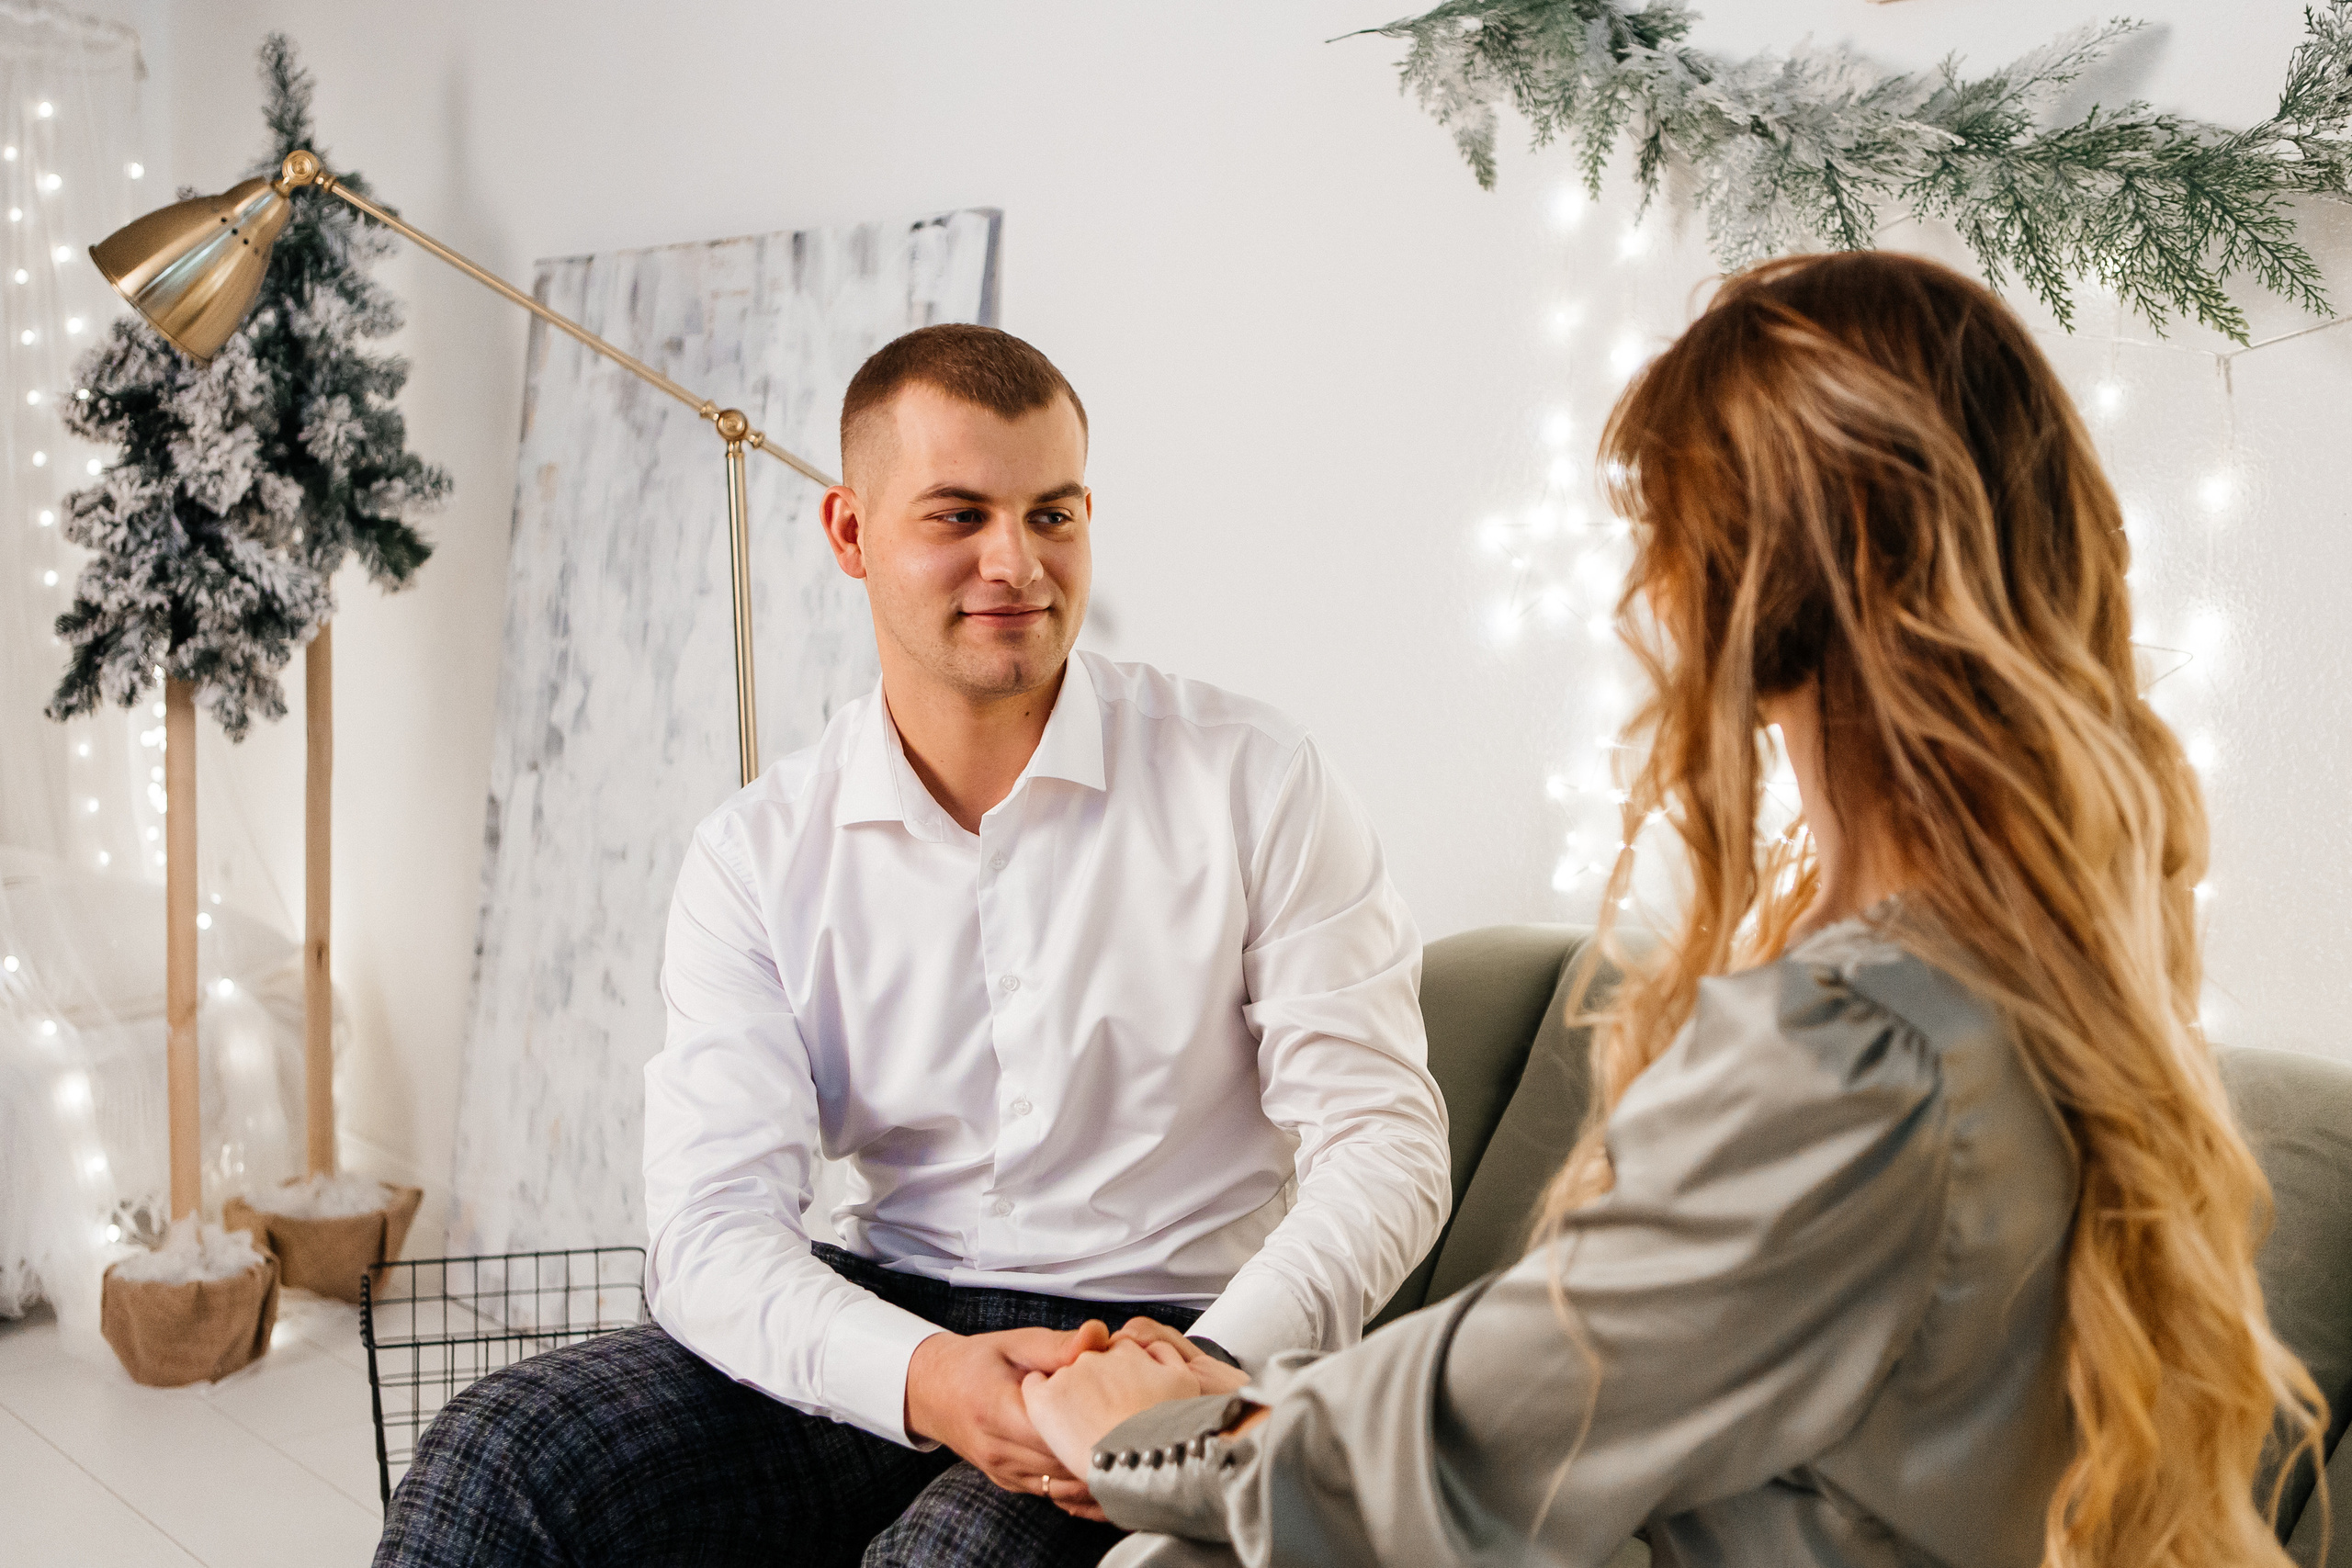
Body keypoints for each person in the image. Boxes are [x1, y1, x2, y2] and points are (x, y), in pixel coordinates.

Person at [1022, 252, 2329, 1568]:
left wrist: (1167, 1428)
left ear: (1774, 572)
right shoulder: (2038, 977)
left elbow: (1478, 1434)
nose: (1648, 588)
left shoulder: (1858, 1045)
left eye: (1671, 526)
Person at [373, 325, 1452, 1568]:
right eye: (958, 515)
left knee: (949, 1561)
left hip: (1170, 1332)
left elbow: (1385, 1140)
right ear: (850, 533)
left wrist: (1200, 1379)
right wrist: (930, 1379)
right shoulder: (759, 851)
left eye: (1053, 514)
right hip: (895, 1318)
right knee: (495, 1456)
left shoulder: (1256, 783)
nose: (1018, 562)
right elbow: (709, 1228)